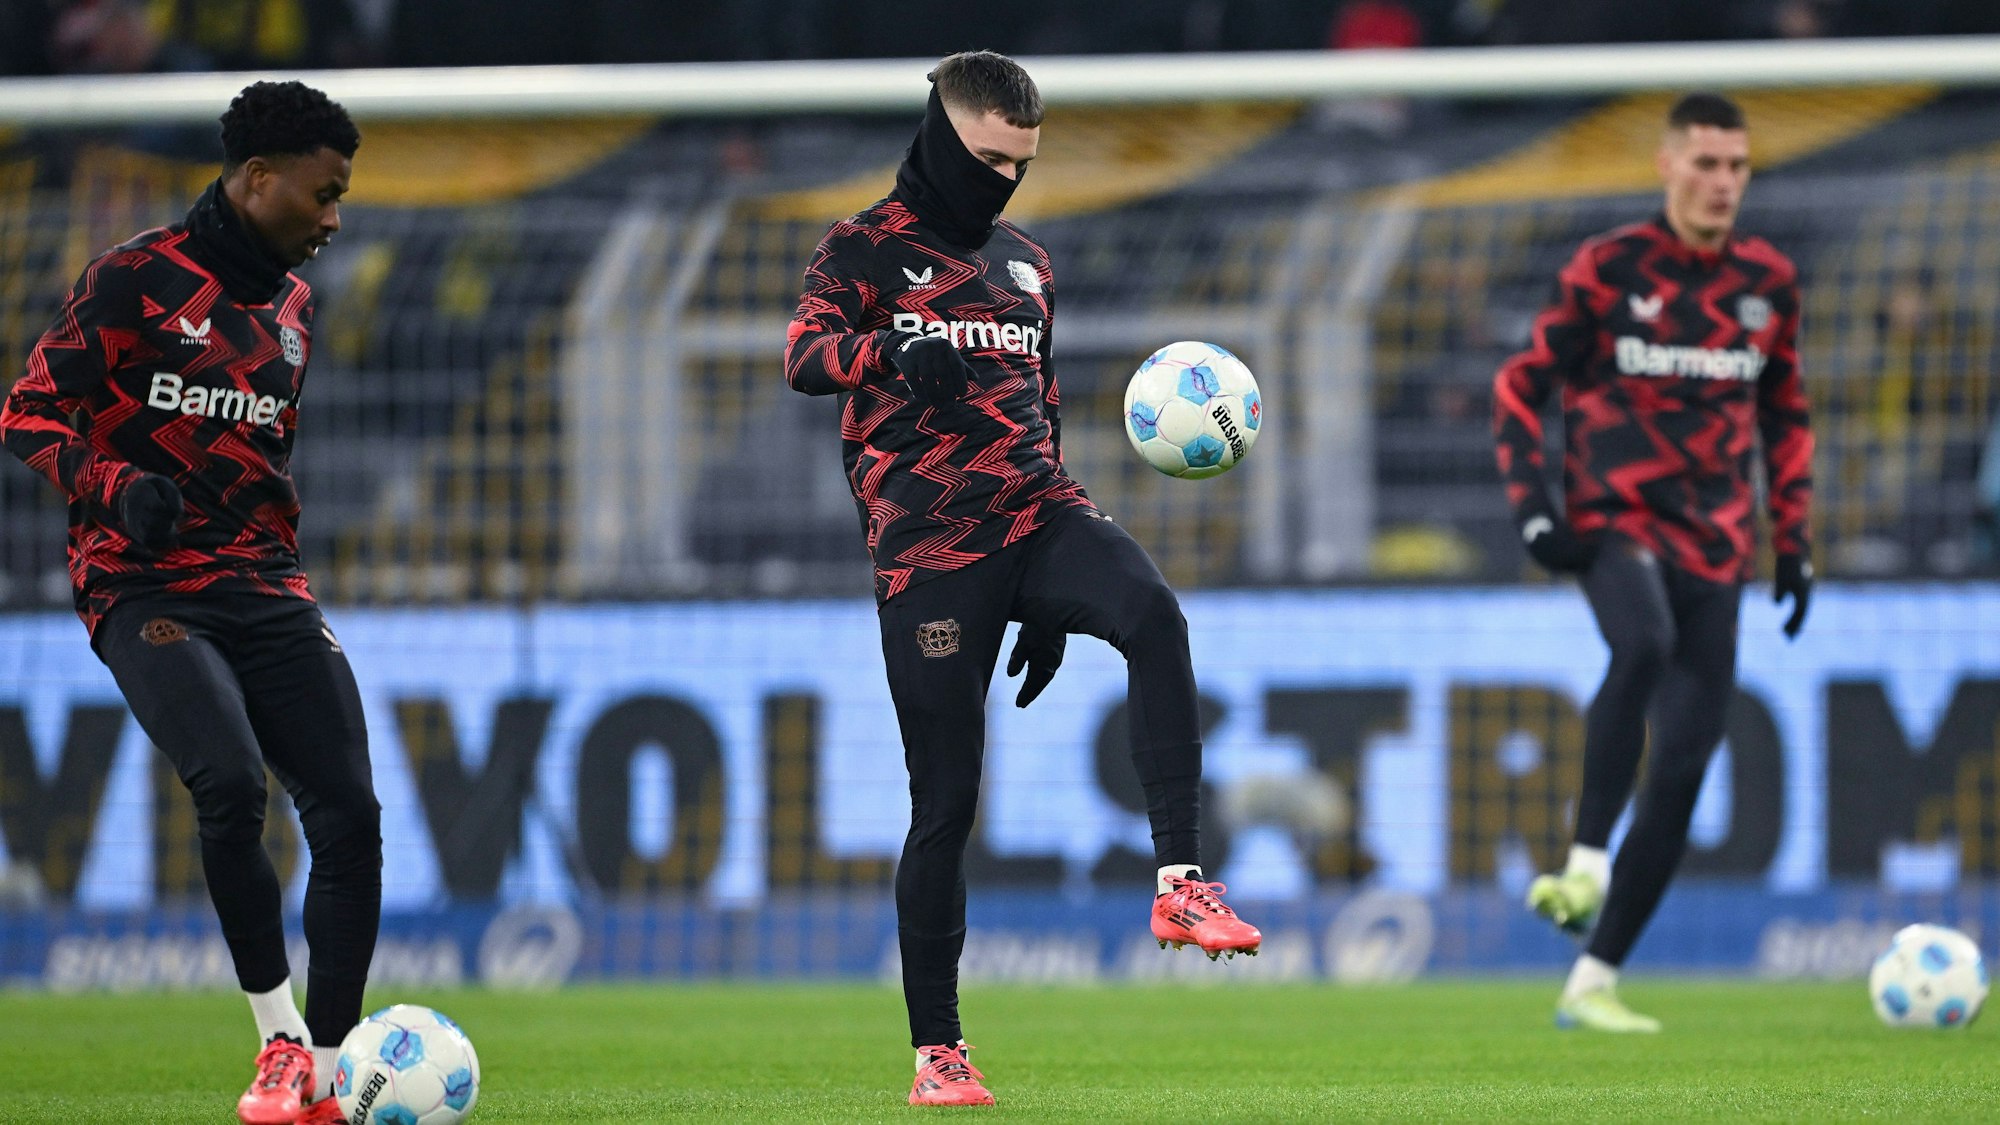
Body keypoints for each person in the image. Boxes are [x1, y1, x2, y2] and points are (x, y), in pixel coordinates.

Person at [784, 50, 1260, 1106]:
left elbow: (1034, 412)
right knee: (945, 801)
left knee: (1150, 611)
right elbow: (802, 356)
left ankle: (1180, 882)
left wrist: (1049, 605)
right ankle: (937, 1054)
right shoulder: (860, 250)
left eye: (1021, 164)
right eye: (989, 159)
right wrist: (886, 355)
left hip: (1035, 515)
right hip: (931, 555)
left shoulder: (1027, 266)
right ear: (941, 137)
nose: (1003, 181)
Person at [0, 80, 372, 1124]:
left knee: (350, 811)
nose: (334, 219)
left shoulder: (296, 311)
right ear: (257, 180)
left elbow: (258, 457)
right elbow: (25, 411)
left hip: (262, 582)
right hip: (141, 584)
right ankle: (280, 1046)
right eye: (323, 194)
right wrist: (113, 487)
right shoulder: (134, 280)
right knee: (228, 784)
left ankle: (335, 1077)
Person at [1491, 92, 1814, 1033]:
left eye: (1737, 167)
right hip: (1616, 520)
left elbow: (1786, 416)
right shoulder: (1608, 269)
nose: (1722, 184)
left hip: (1720, 543)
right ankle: (1584, 864)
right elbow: (1521, 387)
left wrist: (1794, 538)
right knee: (1640, 645)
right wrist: (1537, 515)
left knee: (1682, 769)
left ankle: (1592, 980)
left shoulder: (1768, 283)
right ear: (1668, 165)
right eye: (1706, 164)